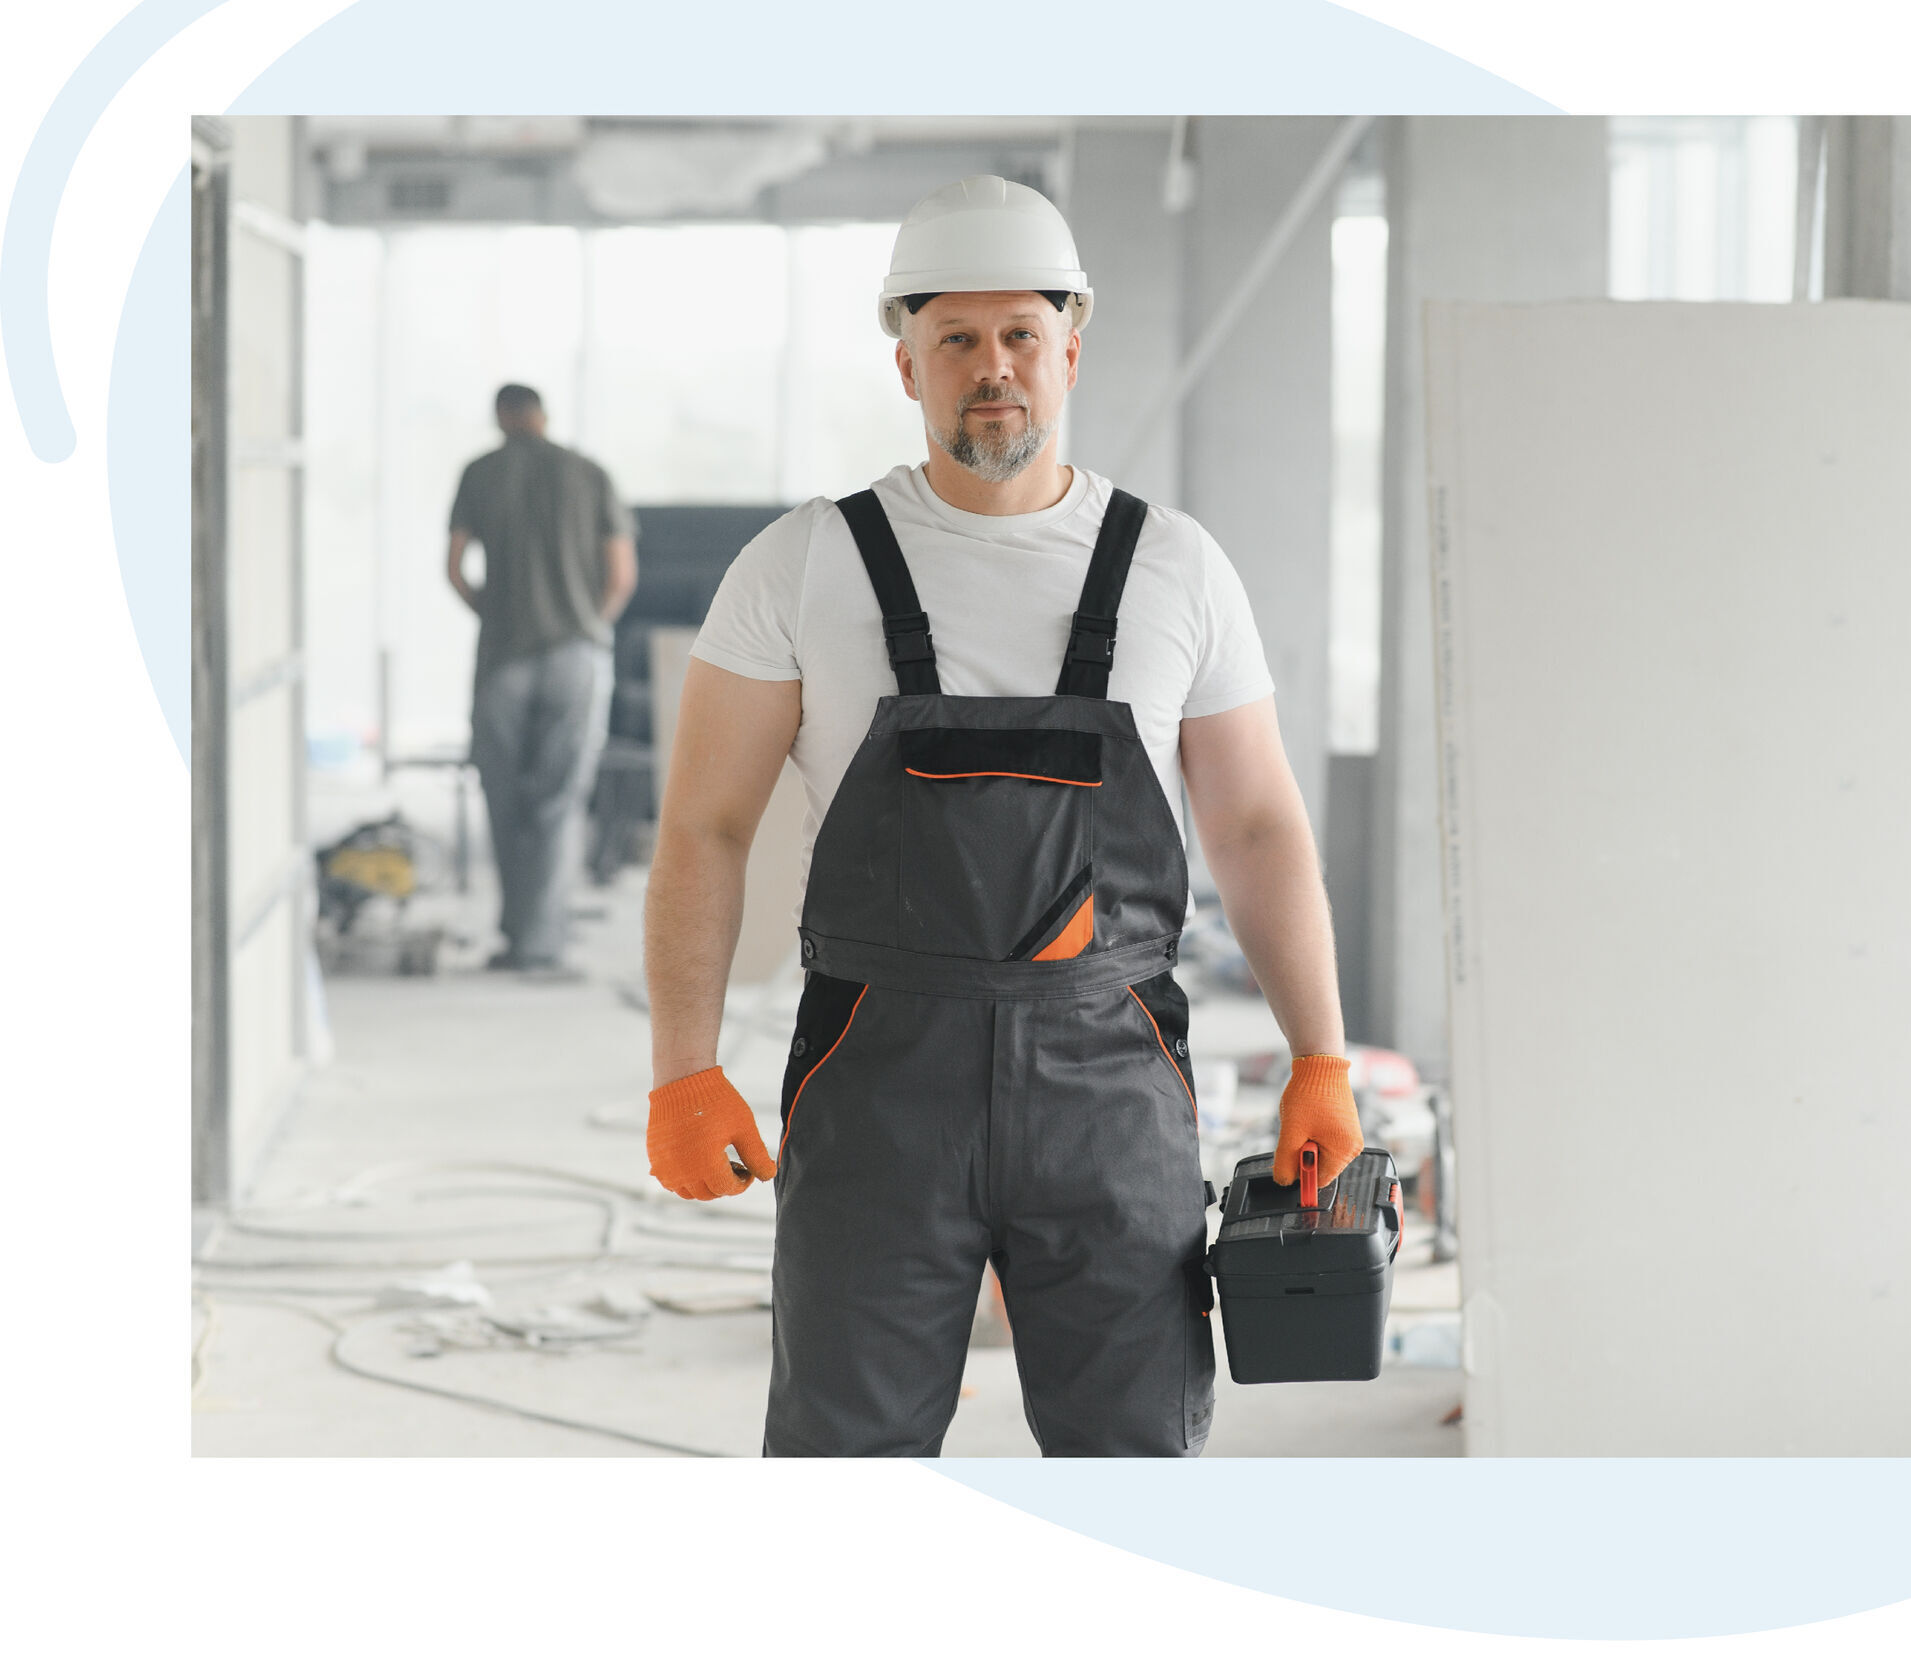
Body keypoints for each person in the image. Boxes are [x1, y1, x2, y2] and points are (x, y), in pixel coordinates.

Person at [641, 175, 1363, 1458]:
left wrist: (1321, 1056)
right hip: (877, 1084)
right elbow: (703, 826)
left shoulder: (1175, 567)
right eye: (957, 338)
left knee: (1129, 1460)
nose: (994, 368)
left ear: (1070, 348)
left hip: (1109, 1084)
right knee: (845, 1459)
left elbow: (1256, 826)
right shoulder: (802, 566)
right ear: (905, 361)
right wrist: (683, 1069)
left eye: (1021, 333)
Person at [446, 384, 638, 975]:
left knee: (504, 797)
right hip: (575, 656)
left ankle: (515, 934)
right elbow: (621, 574)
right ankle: (543, 944)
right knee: (558, 799)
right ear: (543, 416)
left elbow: (454, 567)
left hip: (503, 655)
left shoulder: (480, 472)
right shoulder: (589, 473)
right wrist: (590, 625)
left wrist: (490, 612)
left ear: (501, 417)